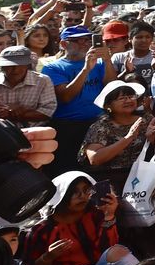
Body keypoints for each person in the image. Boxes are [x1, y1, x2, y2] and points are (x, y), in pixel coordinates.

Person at [22, 171, 141, 265]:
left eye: (86, 190)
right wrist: (48, 257)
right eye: (75, 192)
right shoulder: (42, 230)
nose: (82, 196)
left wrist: (109, 216)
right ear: (61, 196)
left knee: (117, 251)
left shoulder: (95, 215)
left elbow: (107, 249)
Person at [43, 27, 118, 177]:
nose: (84, 44)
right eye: (77, 40)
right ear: (64, 44)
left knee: (97, 172)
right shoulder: (53, 67)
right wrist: (85, 69)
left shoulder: (100, 64)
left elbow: (112, 89)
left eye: (87, 40)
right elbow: (66, 96)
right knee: (69, 172)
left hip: (98, 124)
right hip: (68, 127)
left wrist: (108, 61)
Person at [80, 80, 155, 196]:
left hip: (143, 177)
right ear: (108, 105)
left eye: (130, 96)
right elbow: (95, 159)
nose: (128, 100)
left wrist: (153, 138)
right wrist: (128, 138)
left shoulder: (147, 119)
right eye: (121, 98)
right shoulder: (101, 126)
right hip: (110, 180)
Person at [0, 45, 57, 126]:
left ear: (28, 65)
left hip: (34, 131)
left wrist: (17, 113)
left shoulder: (42, 81)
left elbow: (47, 113)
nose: (15, 70)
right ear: (2, 67)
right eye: (10, 66)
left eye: (20, 65)